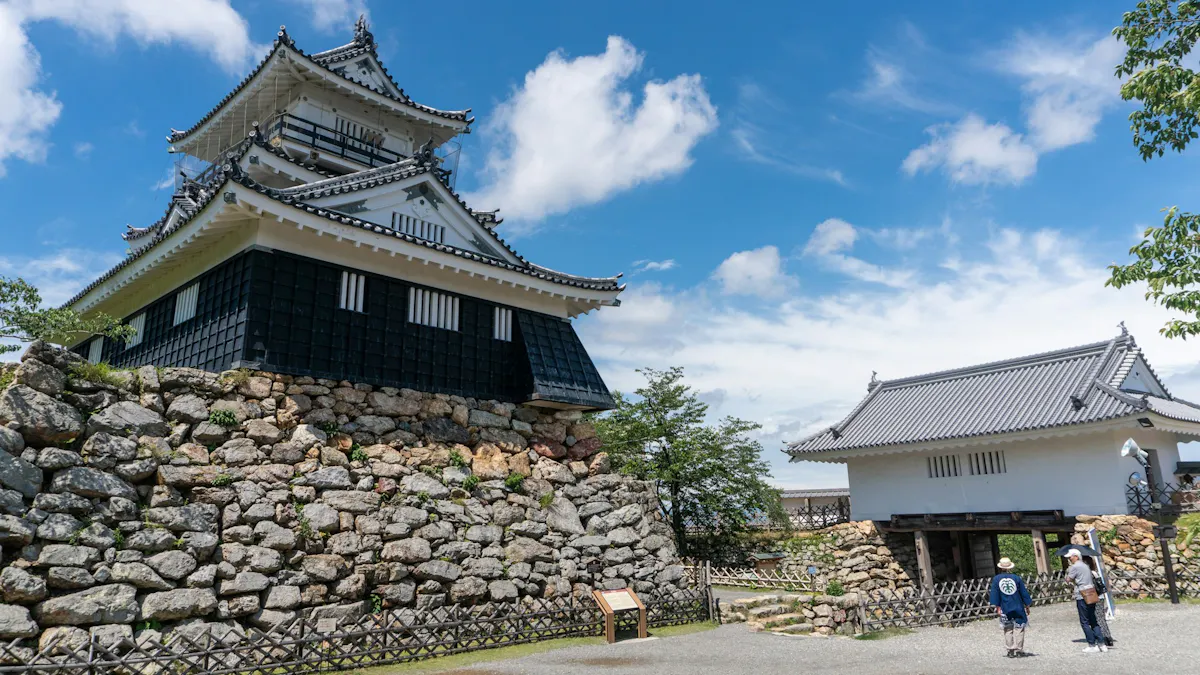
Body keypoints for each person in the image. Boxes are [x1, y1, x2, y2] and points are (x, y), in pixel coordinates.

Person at [989, 557, 1032, 658]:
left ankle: (1010, 650)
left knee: (1008, 628)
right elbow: (1023, 593)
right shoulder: (1016, 578)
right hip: (1017, 606)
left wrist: (998, 607)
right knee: (1020, 627)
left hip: (1004, 607)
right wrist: (1027, 605)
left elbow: (995, 595)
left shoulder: (996, 579)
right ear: (1010, 567)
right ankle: (1019, 650)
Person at [1065, 549, 1107, 654]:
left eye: (1071, 556)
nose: (1069, 558)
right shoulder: (1085, 566)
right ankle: (1101, 643)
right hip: (1091, 592)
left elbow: (1068, 579)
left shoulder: (1074, 567)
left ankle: (1091, 644)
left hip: (1081, 594)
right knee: (1093, 619)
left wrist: (1068, 573)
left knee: (1084, 621)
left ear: (1076, 556)